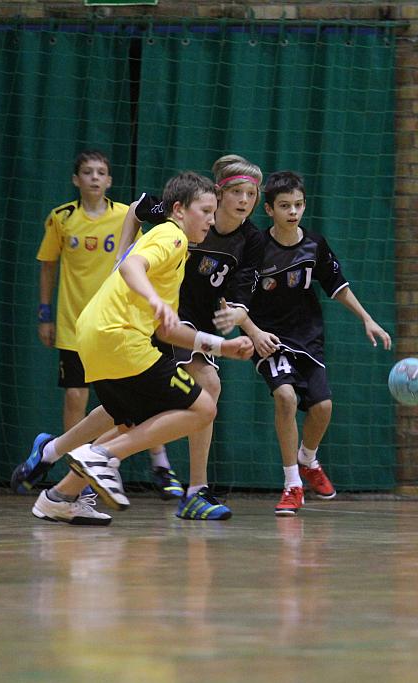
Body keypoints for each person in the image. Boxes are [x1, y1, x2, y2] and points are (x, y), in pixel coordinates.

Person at [12, 171, 254, 525]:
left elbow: (167, 330)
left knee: (133, 420)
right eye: (205, 211)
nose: (211, 220)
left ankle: (58, 497)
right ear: (179, 210)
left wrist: (223, 346)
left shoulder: (175, 251)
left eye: (213, 213)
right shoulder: (172, 236)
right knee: (203, 407)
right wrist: (153, 298)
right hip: (121, 339)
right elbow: (131, 265)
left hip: (94, 337)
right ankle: (101, 455)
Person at [240, 170, 392, 516]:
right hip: (269, 336)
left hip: (307, 335)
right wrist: (253, 333)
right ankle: (292, 484)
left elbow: (337, 284)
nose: (293, 211)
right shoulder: (256, 248)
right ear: (269, 209)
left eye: (298, 204)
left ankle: (308, 459)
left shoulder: (314, 245)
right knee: (285, 396)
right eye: (284, 206)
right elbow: (235, 298)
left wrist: (367, 318)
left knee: (323, 407)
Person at [131, 154, 267, 519]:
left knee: (136, 405)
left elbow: (241, 292)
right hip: (156, 313)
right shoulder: (188, 215)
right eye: (236, 192)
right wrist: (123, 255)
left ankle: (63, 455)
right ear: (218, 194)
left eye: (251, 194)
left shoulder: (251, 239)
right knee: (203, 386)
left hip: (192, 321)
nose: (244, 200)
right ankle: (189, 485)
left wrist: (240, 315)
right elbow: (137, 209)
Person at [33, 150, 143, 435]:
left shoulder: (126, 216)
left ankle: (121, 456)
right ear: (75, 179)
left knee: (125, 399)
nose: (94, 178)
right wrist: (44, 314)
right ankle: (73, 460)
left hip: (114, 322)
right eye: (87, 172)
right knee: (75, 395)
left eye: (101, 173)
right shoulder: (62, 217)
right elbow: (48, 265)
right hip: (74, 322)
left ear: (109, 181)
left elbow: (143, 261)